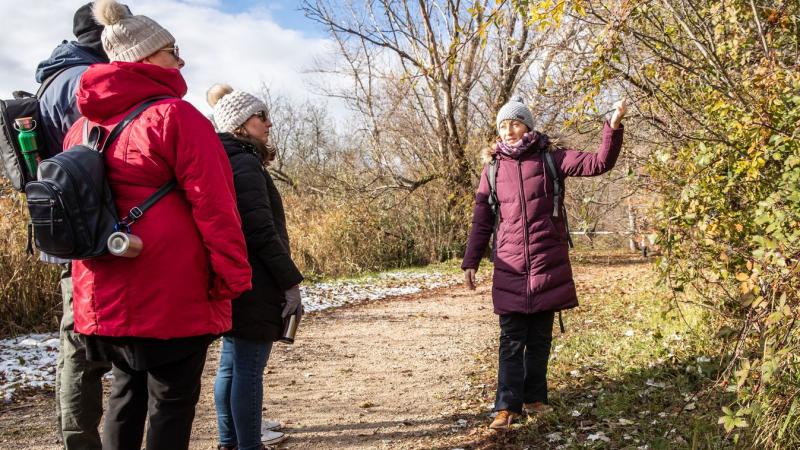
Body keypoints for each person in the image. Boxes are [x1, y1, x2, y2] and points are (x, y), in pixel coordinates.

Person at [61, 1, 252, 449]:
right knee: (171, 399)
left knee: (125, 396)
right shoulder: (176, 117)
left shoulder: (83, 127)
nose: (180, 60)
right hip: (172, 293)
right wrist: (232, 277)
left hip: (102, 292)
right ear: (146, 57)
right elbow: (216, 207)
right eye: (172, 50)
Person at [462, 96, 627, 430]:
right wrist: (472, 260)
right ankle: (506, 407)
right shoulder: (492, 169)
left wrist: (613, 126)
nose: (508, 130)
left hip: (547, 260)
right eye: (503, 125)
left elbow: (599, 163)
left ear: (527, 125)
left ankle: (535, 398)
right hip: (509, 264)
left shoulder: (552, 158)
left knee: (539, 337)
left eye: (515, 123)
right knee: (511, 339)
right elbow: (482, 219)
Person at [34, 3, 119, 448]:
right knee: (82, 343)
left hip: (64, 232)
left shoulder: (52, 77)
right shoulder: (84, 82)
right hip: (88, 235)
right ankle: (80, 440)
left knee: (79, 339)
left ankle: (81, 435)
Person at [207, 84, 305, 450]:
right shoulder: (244, 163)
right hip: (256, 281)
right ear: (239, 123)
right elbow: (260, 231)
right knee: (246, 370)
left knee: (231, 366)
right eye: (260, 116)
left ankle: (228, 442)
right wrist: (290, 281)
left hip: (236, 279)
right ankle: (248, 445)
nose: (268, 123)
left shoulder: (225, 159)